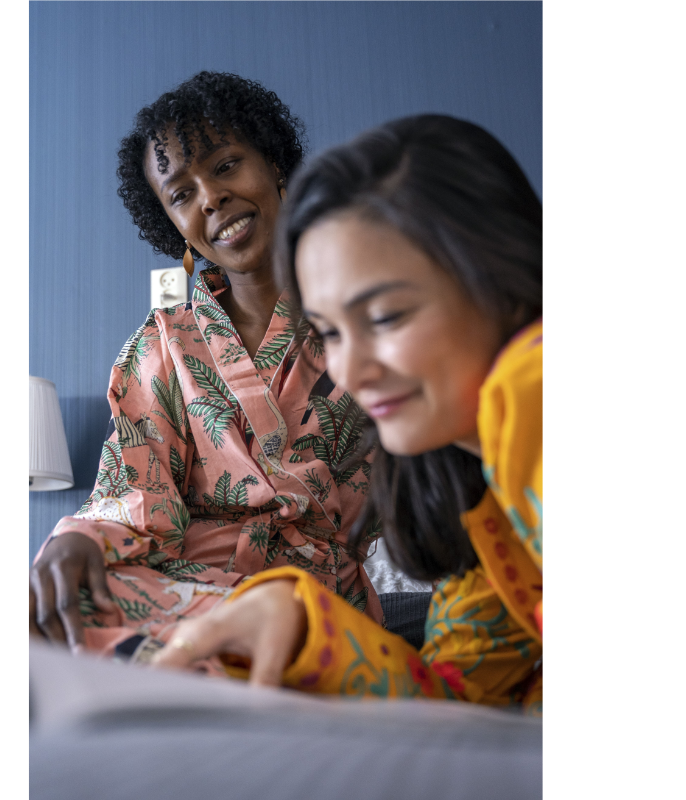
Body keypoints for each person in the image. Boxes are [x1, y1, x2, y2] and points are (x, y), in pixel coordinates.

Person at [153, 114, 544, 714]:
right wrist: (305, 626)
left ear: (505, 279)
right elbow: (455, 698)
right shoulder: (480, 504)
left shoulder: (530, 382)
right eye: (330, 332)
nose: (351, 372)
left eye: (386, 317)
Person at [28, 72, 381, 664]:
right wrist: (78, 538)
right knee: (58, 604)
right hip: (187, 591)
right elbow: (134, 492)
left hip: (311, 600)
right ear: (172, 224)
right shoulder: (161, 347)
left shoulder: (368, 322)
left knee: (290, 635)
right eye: (181, 194)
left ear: (276, 166)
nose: (209, 198)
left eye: (224, 166)